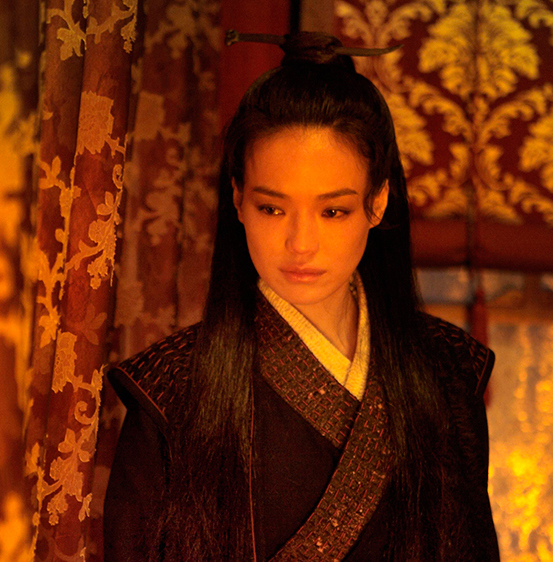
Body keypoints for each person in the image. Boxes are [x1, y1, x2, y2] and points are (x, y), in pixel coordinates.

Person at [104, 31, 499, 561]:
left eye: (333, 211)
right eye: (272, 209)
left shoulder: (448, 373)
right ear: (238, 199)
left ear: (378, 202)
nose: (301, 243)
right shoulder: (170, 391)